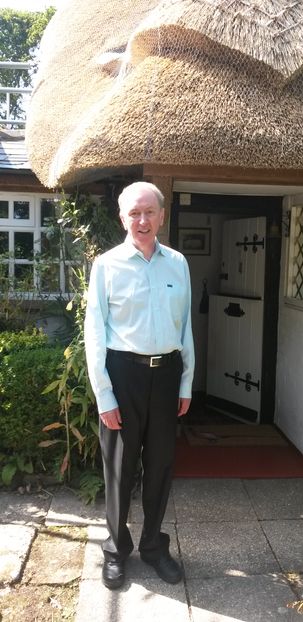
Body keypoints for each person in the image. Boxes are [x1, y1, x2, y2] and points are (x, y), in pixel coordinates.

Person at [84, 181, 195, 590]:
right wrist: (104, 394)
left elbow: (184, 330)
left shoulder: (178, 264)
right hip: (123, 375)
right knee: (119, 469)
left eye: (149, 212)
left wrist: (185, 384)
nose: (142, 220)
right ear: (122, 217)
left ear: (162, 216)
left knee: (161, 466)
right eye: (134, 213)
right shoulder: (107, 265)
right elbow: (94, 333)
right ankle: (116, 550)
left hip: (166, 375)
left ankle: (153, 546)